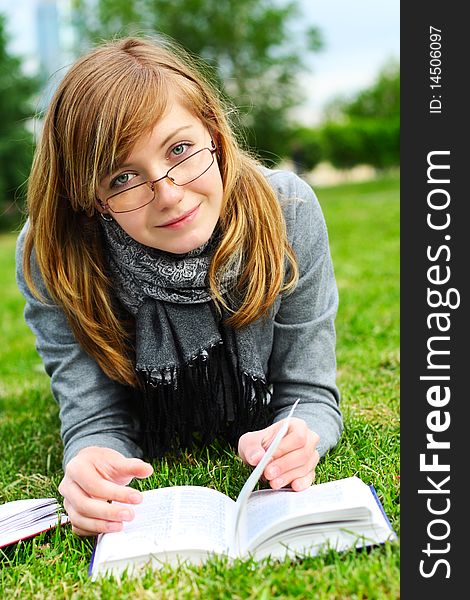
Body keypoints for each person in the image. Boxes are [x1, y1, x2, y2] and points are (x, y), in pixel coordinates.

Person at [15, 35, 342, 537]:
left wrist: (303, 437)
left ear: (213, 130)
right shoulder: (53, 256)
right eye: (123, 177)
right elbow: (96, 419)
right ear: (92, 198)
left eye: (181, 149)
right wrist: (92, 462)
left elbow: (310, 394)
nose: (167, 194)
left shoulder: (288, 212)